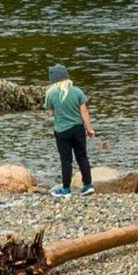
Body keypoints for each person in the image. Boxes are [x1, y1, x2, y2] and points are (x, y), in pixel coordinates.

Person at [42, 63, 95, 192]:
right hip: (78, 129)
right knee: (82, 157)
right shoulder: (77, 91)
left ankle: (66, 189)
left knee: (66, 160)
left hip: (62, 131)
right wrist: (89, 129)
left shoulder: (51, 94)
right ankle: (88, 185)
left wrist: (57, 110)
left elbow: (50, 112)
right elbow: (84, 112)